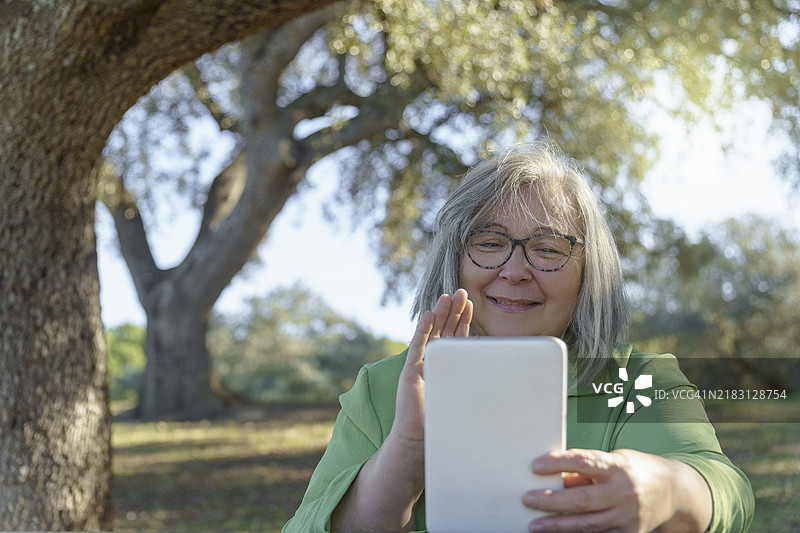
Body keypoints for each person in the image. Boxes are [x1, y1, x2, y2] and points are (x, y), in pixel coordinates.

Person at [282, 141, 754, 533]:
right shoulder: (383, 388)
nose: (515, 271)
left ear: (587, 274)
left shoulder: (639, 381)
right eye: (490, 243)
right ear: (456, 260)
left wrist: (667, 489)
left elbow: (726, 492)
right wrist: (406, 452)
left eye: (547, 249)